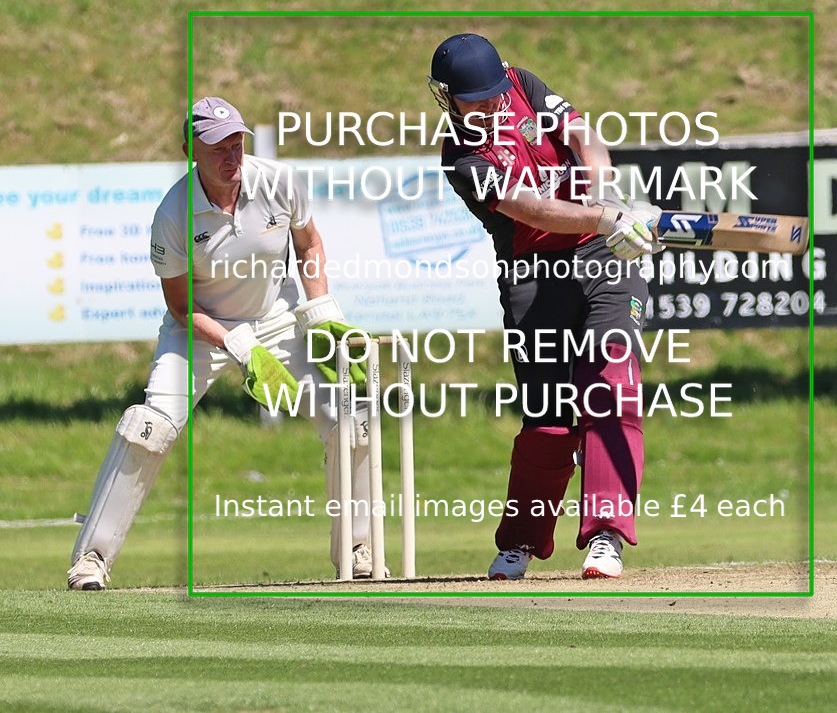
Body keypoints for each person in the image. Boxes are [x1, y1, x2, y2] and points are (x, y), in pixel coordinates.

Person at [68, 97, 376, 590]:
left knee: (351, 418)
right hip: (200, 329)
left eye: (237, 142)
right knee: (149, 426)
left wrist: (319, 312)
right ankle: (91, 560)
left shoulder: (278, 182)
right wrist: (236, 343)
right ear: (191, 149)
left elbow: (309, 243)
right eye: (217, 146)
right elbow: (180, 306)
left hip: (276, 318)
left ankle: (359, 551)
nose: (231, 155)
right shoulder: (173, 213)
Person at [428, 33, 661, 579]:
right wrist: (604, 217)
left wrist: (606, 197)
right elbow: (530, 208)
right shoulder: (460, 157)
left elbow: (583, 135)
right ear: (446, 97)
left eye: (491, 97)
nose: (486, 109)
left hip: (604, 258)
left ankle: (606, 535)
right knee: (549, 422)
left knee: (611, 384)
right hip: (532, 273)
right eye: (473, 101)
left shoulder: (523, 85)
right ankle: (521, 543)